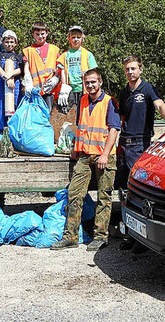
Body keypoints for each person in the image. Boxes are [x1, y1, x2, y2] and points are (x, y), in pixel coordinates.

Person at [51, 69, 120, 252]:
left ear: (100, 82)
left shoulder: (109, 102)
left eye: (93, 82)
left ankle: (100, 236)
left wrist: (105, 154)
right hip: (84, 155)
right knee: (74, 195)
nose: (90, 85)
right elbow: (81, 127)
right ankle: (70, 237)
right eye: (87, 82)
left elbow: (114, 130)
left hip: (104, 156)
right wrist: (75, 149)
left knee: (104, 197)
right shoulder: (82, 100)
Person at [116, 55, 165, 251]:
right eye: (127, 69)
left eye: (133, 68)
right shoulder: (123, 93)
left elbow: (159, 105)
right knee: (125, 191)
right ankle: (130, 234)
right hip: (124, 144)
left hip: (140, 145)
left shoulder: (147, 89)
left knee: (140, 191)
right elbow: (120, 120)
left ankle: (143, 238)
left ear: (140, 70)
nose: (130, 72)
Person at [56, 25, 98, 115]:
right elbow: (62, 71)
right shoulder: (65, 55)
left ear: (82, 38)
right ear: (69, 38)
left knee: (85, 111)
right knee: (67, 111)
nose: (76, 39)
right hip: (70, 88)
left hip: (84, 88)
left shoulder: (87, 54)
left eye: (78, 37)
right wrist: (64, 86)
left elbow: (93, 72)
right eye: (73, 37)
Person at [22, 22, 60, 110]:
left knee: (48, 113)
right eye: (37, 34)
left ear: (47, 33)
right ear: (33, 35)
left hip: (50, 89)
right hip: (35, 90)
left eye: (42, 34)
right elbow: (26, 67)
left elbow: (59, 67)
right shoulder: (29, 50)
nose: (40, 36)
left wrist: (56, 78)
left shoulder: (54, 49)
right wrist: (28, 83)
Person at [0, 30, 24, 131]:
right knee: (1, 104)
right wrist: (5, 76)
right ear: (2, 42)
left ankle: (14, 129)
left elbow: (20, 69)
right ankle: (2, 129)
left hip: (15, 83)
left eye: (11, 42)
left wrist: (11, 75)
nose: (9, 44)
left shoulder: (18, 56)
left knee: (14, 104)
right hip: (1, 83)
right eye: (6, 42)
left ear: (16, 43)